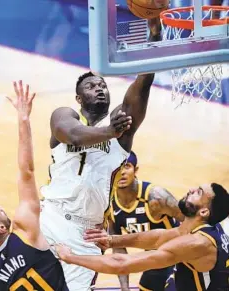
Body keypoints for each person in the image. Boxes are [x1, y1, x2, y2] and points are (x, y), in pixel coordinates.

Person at [39, 17, 162, 291]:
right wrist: (109, 131)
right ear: (79, 99)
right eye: (91, 86)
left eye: (103, 85)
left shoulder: (122, 126)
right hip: (51, 217)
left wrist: (154, 33)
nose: (99, 88)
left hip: (88, 232)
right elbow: (70, 134)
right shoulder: (65, 116)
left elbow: (143, 83)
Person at [0, 81, 68, 291]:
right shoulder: (25, 231)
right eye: (0, 210)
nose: (3, 209)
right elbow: (26, 171)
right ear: (2, 227)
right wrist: (23, 118)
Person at [56, 183, 229, 291]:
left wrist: (70, 257)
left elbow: (122, 264)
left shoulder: (197, 243)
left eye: (198, 192)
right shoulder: (198, 229)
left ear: (204, 211)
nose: (191, 189)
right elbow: (158, 238)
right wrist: (112, 240)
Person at [109, 150, 183, 291]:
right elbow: (118, 248)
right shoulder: (109, 203)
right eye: (117, 167)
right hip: (154, 260)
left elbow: (191, 222)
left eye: (127, 166)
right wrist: (125, 288)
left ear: (135, 170)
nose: (122, 172)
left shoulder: (156, 197)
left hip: (177, 259)